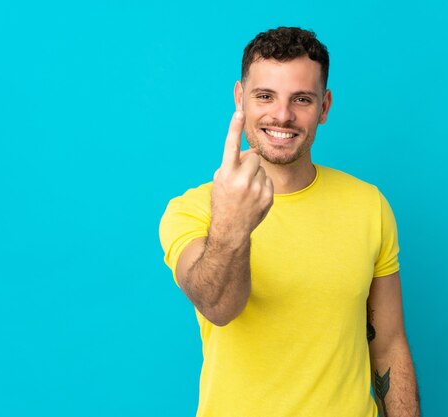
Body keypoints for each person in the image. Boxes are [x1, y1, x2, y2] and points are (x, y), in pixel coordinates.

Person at [159, 26, 420, 417]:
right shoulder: (194, 209)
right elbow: (219, 306)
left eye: (301, 99)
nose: (282, 115)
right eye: (265, 96)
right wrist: (232, 221)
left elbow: (388, 344)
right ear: (240, 98)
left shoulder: (369, 204)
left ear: (325, 106)